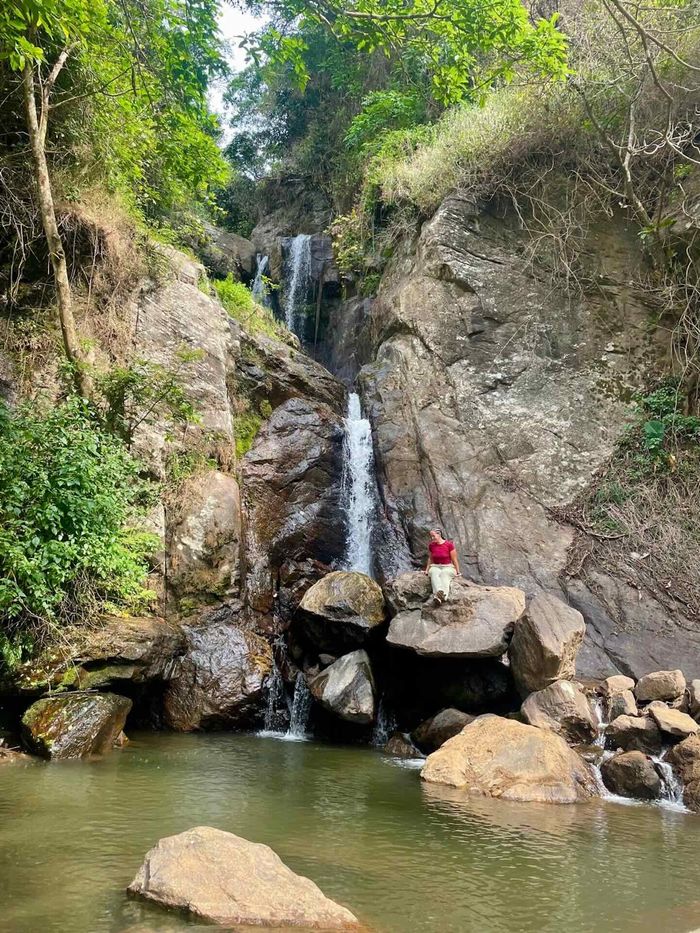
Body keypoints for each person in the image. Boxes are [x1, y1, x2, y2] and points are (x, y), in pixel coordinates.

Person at [424, 529, 460, 604]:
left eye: (433, 536)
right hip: (435, 566)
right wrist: (427, 570)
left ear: (439, 535)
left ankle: (441, 596)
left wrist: (458, 571)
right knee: (434, 573)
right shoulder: (431, 545)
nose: (432, 538)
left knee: (445, 573)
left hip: (448, 566)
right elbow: (430, 559)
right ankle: (439, 594)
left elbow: (454, 559)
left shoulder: (449, 545)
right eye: (431, 536)